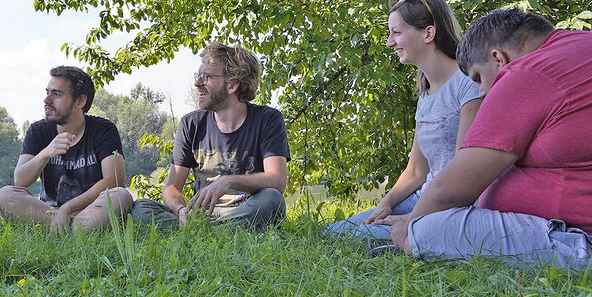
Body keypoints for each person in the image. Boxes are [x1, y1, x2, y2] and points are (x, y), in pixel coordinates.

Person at [377, 9, 592, 267]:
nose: (481, 92)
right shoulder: (577, 47)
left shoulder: (525, 71)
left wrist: (409, 227)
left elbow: (451, 190)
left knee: (426, 231)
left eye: (479, 77)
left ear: (498, 58)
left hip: (578, 240)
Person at [327, 0, 483, 242]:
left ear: (428, 33)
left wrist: (410, 218)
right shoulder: (425, 96)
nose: (390, 42)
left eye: (396, 33)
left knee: (358, 239)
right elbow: (416, 171)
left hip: (450, 208)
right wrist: (385, 205)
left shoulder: (467, 85)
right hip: (421, 198)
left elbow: (463, 176)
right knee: (332, 233)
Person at [126, 42, 290, 230]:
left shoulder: (267, 119)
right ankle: (210, 230)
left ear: (232, 85)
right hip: (202, 214)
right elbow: (171, 188)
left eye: (206, 77)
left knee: (271, 200)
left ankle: (203, 233)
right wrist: (180, 210)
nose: (197, 83)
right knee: (140, 208)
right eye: (198, 76)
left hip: (245, 209)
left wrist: (229, 181)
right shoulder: (191, 124)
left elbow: (277, 181)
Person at [0, 66, 134, 232]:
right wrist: (45, 153)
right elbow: (20, 181)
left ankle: (60, 229)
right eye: (47, 92)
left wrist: (67, 209)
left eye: (57, 94)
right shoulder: (38, 131)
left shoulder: (103, 129)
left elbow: (114, 181)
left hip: (91, 210)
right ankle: (73, 230)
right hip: (49, 212)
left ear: (79, 101)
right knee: (5, 195)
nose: (47, 100)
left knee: (121, 195)